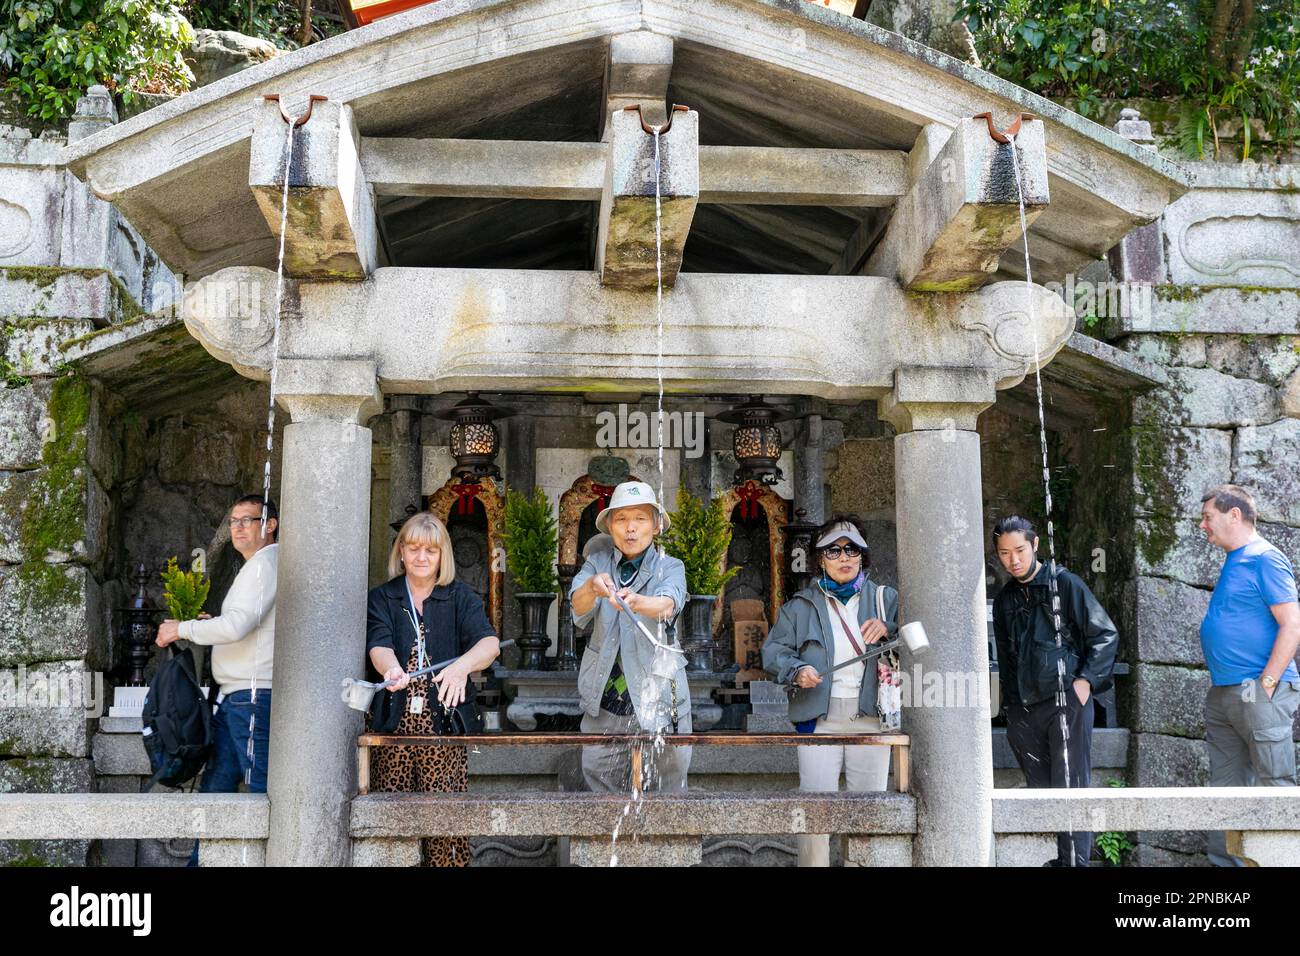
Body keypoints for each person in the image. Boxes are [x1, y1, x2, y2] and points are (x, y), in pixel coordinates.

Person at [763, 515, 900, 867]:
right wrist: (797, 670)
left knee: (868, 812)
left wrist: (888, 629)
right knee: (814, 814)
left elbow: (918, 644)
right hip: (819, 719)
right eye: (834, 550)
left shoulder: (886, 599)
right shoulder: (799, 606)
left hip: (870, 717)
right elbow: (773, 653)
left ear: (863, 556)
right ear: (820, 558)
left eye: (851, 549)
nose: (844, 558)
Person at [365, 512, 500, 867]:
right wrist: (391, 668)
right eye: (413, 549)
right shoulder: (384, 597)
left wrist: (461, 666)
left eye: (430, 550)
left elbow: (489, 644)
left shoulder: (458, 596)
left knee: (446, 823)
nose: (421, 557)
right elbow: (378, 644)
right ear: (402, 552)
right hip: (394, 728)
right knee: (392, 824)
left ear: (443, 556)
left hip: (444, 729)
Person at [991, 514, 1117, 867]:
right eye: (1004, 554)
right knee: (1042, 791)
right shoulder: (1004, 601)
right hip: (1024, 709)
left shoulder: (1066, 584)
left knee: (1071, 785)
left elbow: (1105, 634)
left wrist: (1086, 680)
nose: (1013, 560)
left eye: (1019, 550)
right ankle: (1060, 860)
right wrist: (1011, 709)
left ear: (1034, 545)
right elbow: (1007, 657)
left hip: (1067, 701)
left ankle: (1076, 863)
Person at [1197, 485, 1300, 866]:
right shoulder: (1235, 559)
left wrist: (1266, 684)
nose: (1203, 525)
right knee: (1225, 792)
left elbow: (1292, 624)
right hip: (1226, 692)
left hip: (1256, 689)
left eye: (1208, 516)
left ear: (1234, 515)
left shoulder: (1265, 558)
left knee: (1275, 785)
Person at [570, 481, 690, 793]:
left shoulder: (670, 566)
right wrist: (592, 586)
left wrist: (636, 602)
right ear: (610, 525)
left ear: (656, 524)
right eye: (622, 519)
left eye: (640, 519)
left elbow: (669, 603)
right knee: (599, 782)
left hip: (659, 697)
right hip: (606, 700)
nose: (630, 528)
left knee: (667, 790)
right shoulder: (597, 563)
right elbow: (577, 607)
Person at [156, 494, 278, 796]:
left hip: (251, 696)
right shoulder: (258, 565)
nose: (238, 528)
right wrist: (206, 624)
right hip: (236, 696)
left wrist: (181, 628)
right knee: (215, 789)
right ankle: (203, 847)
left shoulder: (266, 564)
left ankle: (277, 845)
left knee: (258, 786)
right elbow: (242, 623)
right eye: (234, 521)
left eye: (248, 520)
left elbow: (237, 626)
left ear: (271, 524)